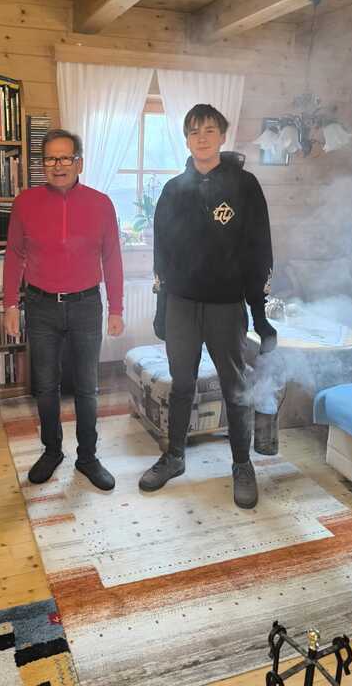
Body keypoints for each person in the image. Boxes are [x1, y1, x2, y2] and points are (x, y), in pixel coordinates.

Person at [139, 104, 276, 508]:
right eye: (194, 131)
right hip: (181, 305)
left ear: (222, 135)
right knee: (181, 384)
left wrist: (260, 316)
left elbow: (259, 252)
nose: (202, 137)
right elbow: (162, 256)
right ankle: (175, 456)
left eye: (210, 130)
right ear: (186, 139)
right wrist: (162, 309)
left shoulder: (244, 186)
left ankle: (242, 465)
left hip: (226, 306)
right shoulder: (172, 190)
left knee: (235, 387)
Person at [3, 129, 124, 490]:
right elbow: (14, 255)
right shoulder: (25, 203)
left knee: (87, 387)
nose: (58, 165)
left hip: (86, 305)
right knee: (45, 386)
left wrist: (116, 308)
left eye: (65, 158)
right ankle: (52, 451)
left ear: (79, 163)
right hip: (41, 306)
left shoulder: (101, 204)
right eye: (50, 159)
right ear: (43, 164)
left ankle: (87, 457)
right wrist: (10, 304)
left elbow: (112, 257)